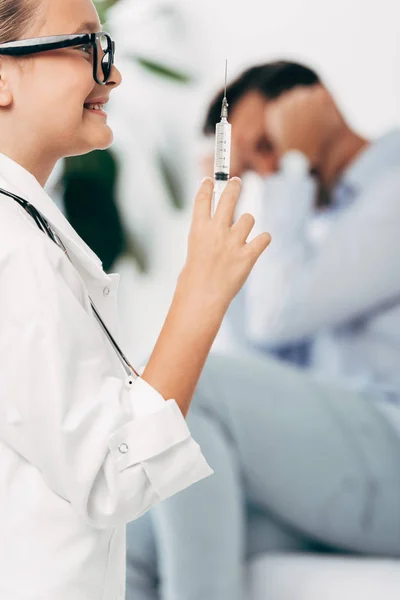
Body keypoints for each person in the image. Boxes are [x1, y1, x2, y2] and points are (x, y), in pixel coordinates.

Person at [0, 1, 271, 598]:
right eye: (84, 44)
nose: (112, 73)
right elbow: (112, 476)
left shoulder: (25, 233)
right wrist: (202, 293)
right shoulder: (12, 252)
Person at [126, 62, 400, 600]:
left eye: (266, 146)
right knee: (135, 531)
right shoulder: (314, 222)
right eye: (254, 164)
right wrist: (224, 223)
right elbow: (265, 351)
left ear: (315, 104)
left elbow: (279, 315)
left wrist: (291, 168)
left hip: (387, 447)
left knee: (187, 387)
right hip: (340, 463)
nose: (268, 172)